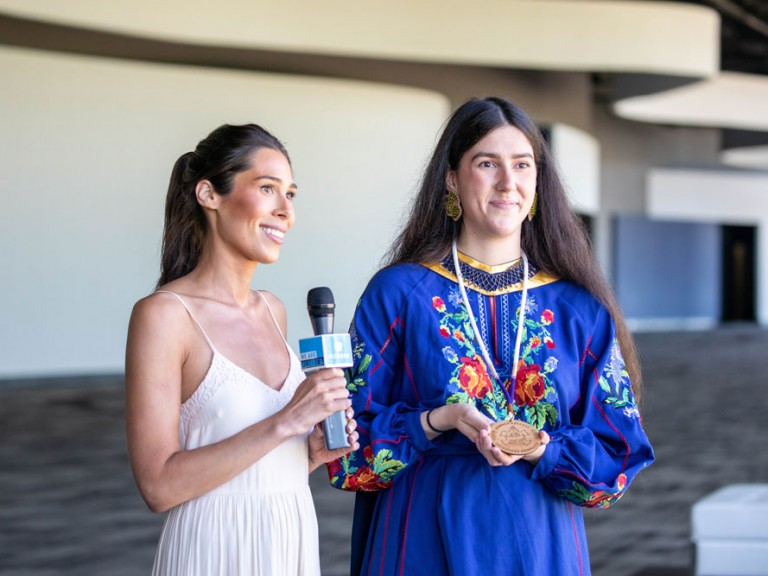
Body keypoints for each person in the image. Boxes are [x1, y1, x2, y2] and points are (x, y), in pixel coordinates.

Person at [327, 97, 655, 575]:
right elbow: (345, 454)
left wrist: (541, 446)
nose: (508, 183)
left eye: (522, 165)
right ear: (452, 179)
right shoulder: (397, 293)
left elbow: (616, 462)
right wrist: (438, 420)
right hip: (422, 537)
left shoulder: (579, 309)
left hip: (541, 542)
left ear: (538, 182)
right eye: (487, 163)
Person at [125, 123, 358, 576]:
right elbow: (158, 485)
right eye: (267, 188)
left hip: (288, 537)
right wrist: (287, 419)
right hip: (213, 548)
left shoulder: (274, 310)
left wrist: (309, 451)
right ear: (209, 194)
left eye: (291, 194)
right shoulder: (164, 315)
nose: (285, 211)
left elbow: (257, 465)